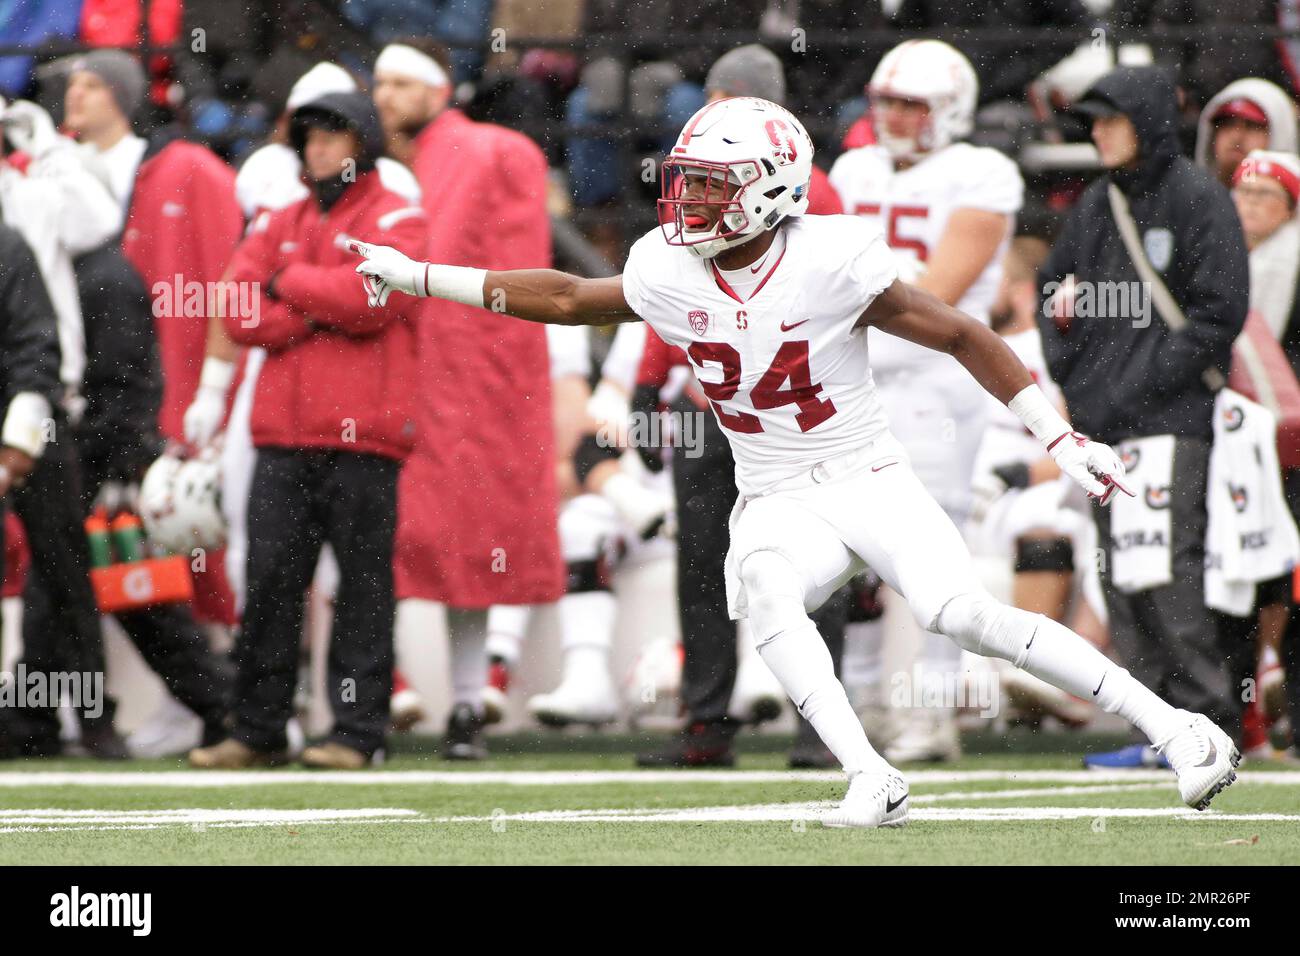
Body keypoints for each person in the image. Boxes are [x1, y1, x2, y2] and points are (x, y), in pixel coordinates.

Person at [352, 95, 1240, 827]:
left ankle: (1177, 726)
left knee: (959, 613)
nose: (688, 202)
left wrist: (1060, 437)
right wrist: (420, 274)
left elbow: (964, 333)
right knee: (766, 583)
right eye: (687, 182)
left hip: (866, 473)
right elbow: (570, 297)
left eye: (710, 186)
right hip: (776, 488)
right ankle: (870, 777)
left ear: (770, 191)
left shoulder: (829, 259)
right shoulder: (668, 265)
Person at [188, 92, 427, 770]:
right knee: (268, 584)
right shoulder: (278, 214)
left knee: (362, 588)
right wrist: (313, 311)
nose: (318, 149)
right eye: (310, 138)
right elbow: (236, 311)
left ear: (363, 142)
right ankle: (258, 730)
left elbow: (375, 298)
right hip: (282, 436)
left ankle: (356, 734)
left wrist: (287, 281)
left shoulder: (396, 215)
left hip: (366, 439)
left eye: (333, 136)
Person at [1038, 66, 1252, 769]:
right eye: (1092, 121)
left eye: (1110, 119)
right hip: (1106, 431)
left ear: (1150, 121)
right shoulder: (1096, 205)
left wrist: (1146, 385)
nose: (1097, 132)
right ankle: (1156, 727)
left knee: (1168, 574)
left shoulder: (1199, 200)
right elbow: (1052, 295)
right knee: (1122, 576)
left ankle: (1208, 722)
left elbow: (1219, 314)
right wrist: (1079, 382)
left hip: (1174, 422)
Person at [830, 39, 1024, 762]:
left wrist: (861, 285)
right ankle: (864, 702)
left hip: (941, 379)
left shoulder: (982, 172)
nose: (896, 117)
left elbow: (935, 292)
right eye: (888, 102)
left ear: (950, 110)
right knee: (851, 543)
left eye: (913, 104)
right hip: (855, 375)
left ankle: (934, 708)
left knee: (933, 546)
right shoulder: (852, 169)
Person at [372, 39, 563, 759]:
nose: (385, 95)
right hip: (440, 375)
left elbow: (448, 261)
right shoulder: (425, 159)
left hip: (454, 377)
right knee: (432, 550)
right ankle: (434, 704)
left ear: (439, 88)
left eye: (400, 82)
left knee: (452, 550)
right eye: (379, 83)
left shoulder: (478, 154)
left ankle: (442, 704)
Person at [1194, 78, 1298, 190]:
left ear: (1280, 135)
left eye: (1252, 126)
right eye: (1227, 124)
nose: (1236, 137)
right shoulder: (1187, 197)